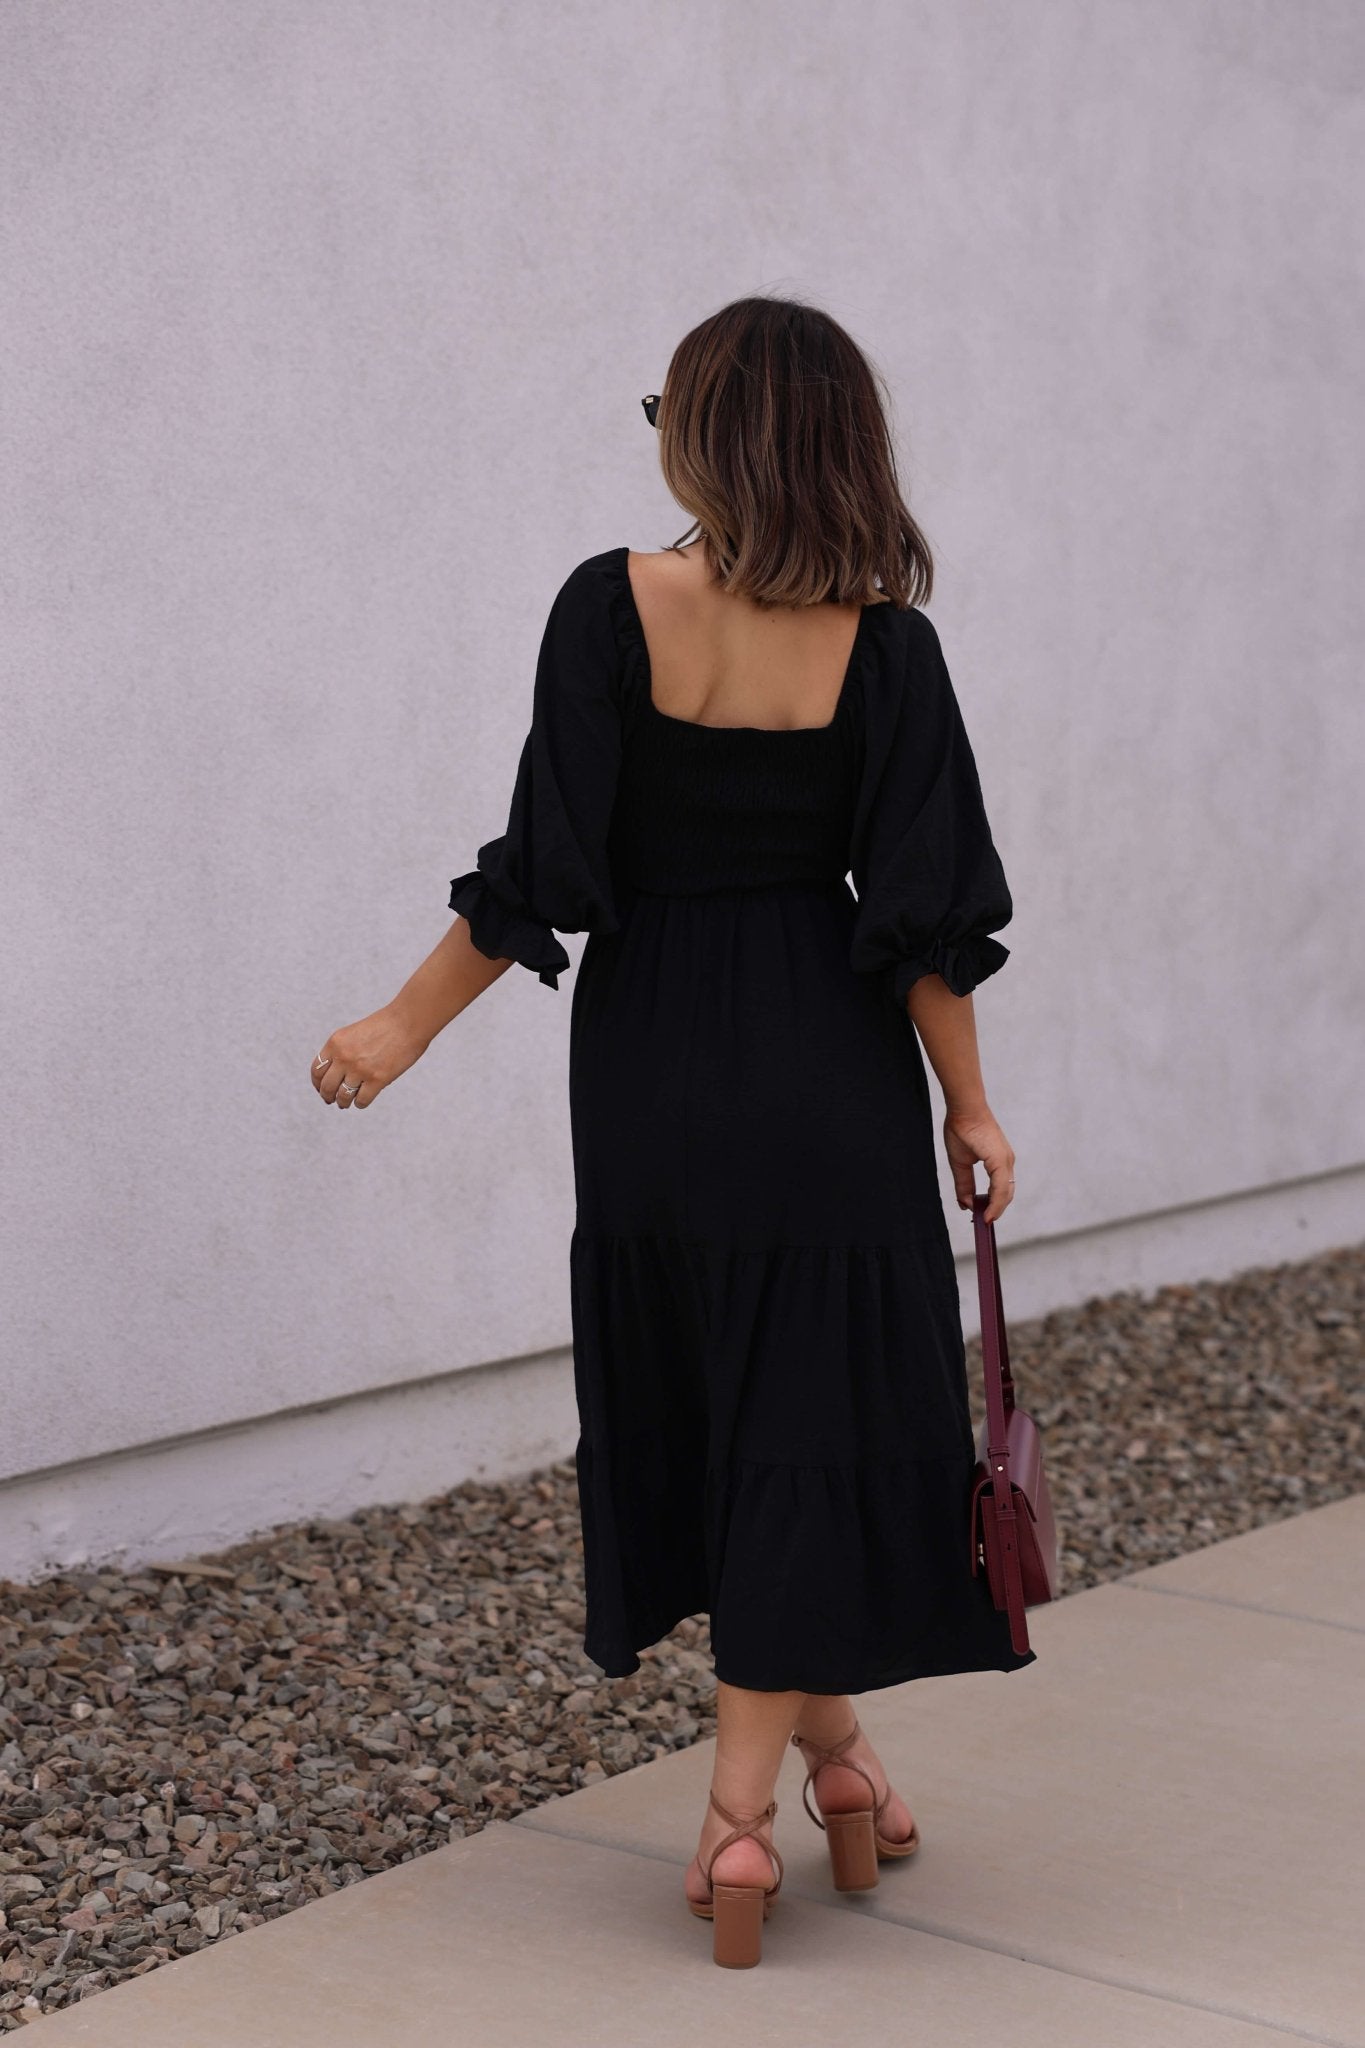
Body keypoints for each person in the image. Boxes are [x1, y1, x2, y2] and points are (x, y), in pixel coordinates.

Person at [310, 294, 1032, 1969]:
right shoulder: (889, 646)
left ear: (706, 434)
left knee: (720, 1395)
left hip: (645, 1060)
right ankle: (773, 1798)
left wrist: (399, 1024)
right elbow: (919, 920)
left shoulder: (605, 607)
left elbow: (540, 865)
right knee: (809, 1406)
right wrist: (971, 1105)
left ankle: (779, 1792)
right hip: (822, 1067)